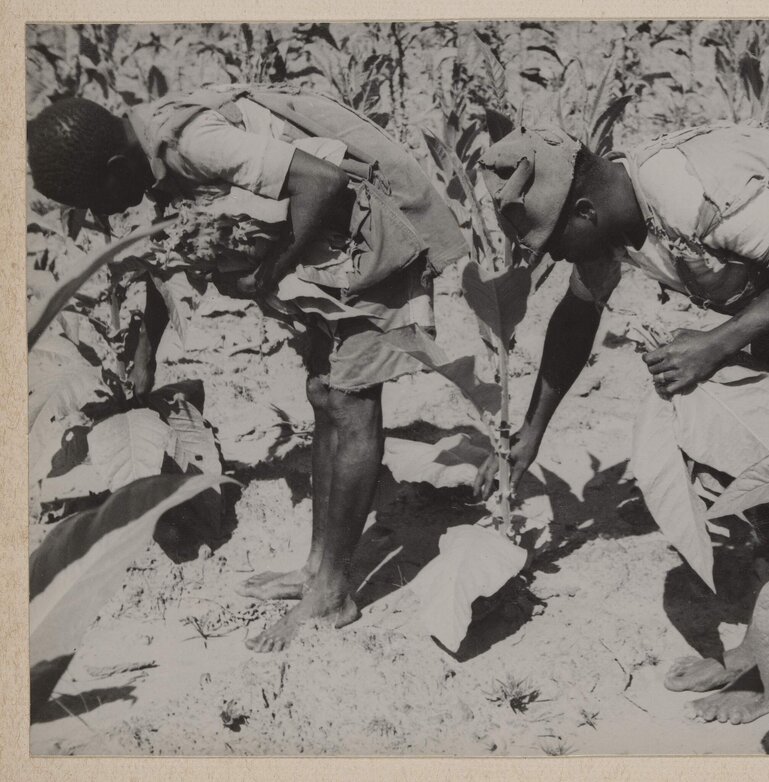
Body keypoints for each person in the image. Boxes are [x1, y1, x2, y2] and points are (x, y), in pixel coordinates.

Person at [474, 123, 769, 723]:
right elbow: (575, 318)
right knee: (765, 467)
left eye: (558, 245)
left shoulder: (686, 194)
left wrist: (715, 345)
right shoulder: (610, 216)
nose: (559, 258)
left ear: (584, 211)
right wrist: (532, 431)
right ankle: (764, 644)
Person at [27, 87, 468, 653]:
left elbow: (322, 182)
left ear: (116, 170)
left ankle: (334, 595)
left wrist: (267, 277)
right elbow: (168, 243)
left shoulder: (194, 143)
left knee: (351, 403)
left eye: (96, 202)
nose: (101, 217)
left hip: (375, 229)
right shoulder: (146, 143)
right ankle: (316, 570)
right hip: (333, 233)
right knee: (323, 391)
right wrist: (147, 350)